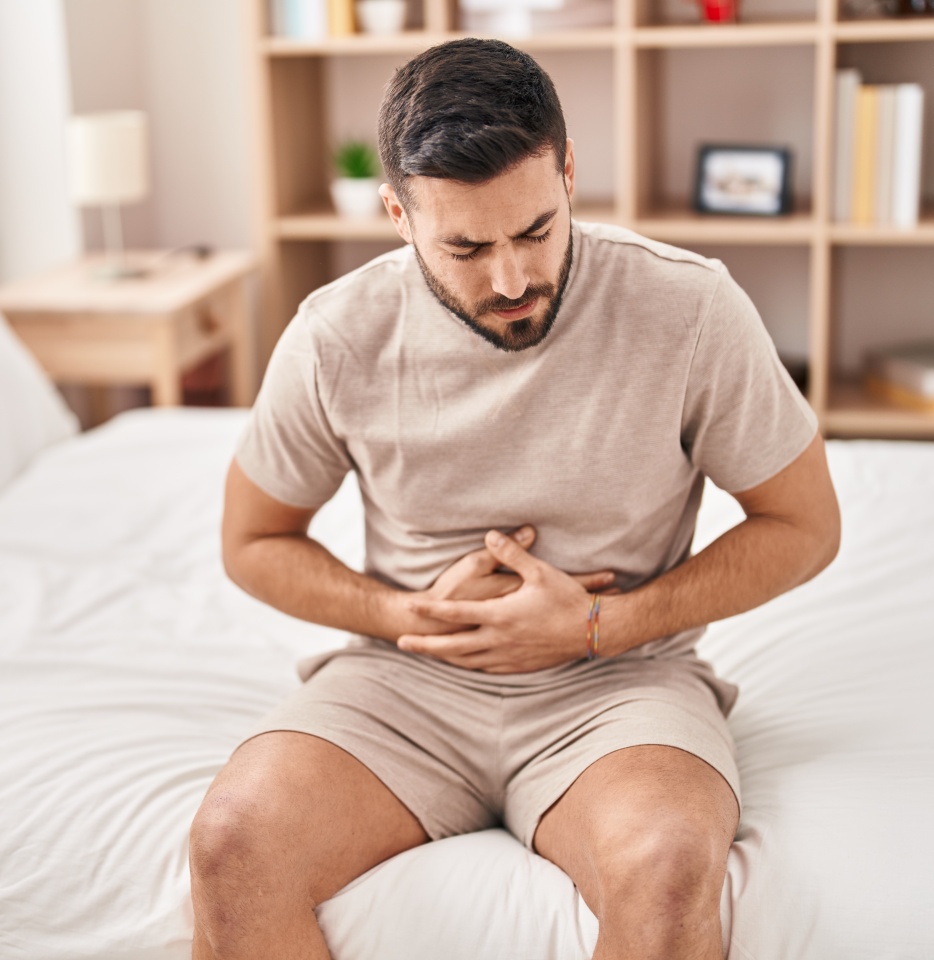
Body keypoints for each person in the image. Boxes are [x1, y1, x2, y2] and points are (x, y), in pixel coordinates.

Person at [188, 37, 841, 960]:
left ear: (570, 173)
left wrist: (601, 628)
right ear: (397, 215)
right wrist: (401, 611)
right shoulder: (334, 334)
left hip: (621, 684)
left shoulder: (690, 309)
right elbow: (252, 540)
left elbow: (808, 525)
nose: (511, 281)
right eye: (465, 246)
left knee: (664, 868)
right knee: (230, 848)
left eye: (536, 230)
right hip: (403, 682)